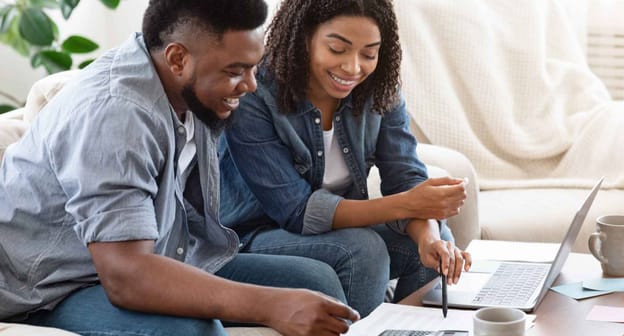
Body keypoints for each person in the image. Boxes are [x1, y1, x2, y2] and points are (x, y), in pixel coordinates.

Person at [0, 0, 359, 335]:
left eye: (252, 67)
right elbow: (127, 275)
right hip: (51, 287)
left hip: (158, 254)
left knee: (318, 283)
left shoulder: (187, 85)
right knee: (193, 331)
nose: (250, 85)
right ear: (177, 59)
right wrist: (270, 306)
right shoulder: (117, 115)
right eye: (236, 71)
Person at [219, 0, 473, 317]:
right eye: (337, 49)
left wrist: (429, 238)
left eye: (368, 54)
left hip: (331, 235)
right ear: (305, 37)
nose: (353, 68)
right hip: (250, 237)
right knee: (363, 251)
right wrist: (412, 203)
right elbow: (296, 211)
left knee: (433, 242)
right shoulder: (256, 92)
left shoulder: (379, 88)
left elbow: (405, 176)